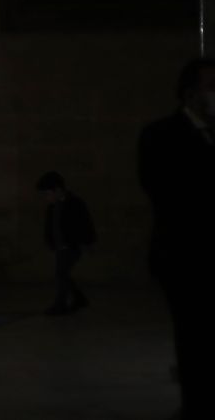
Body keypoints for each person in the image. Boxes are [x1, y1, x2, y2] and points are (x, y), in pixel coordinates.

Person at [138, 57, 215, 417]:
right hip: (185, 254)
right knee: (194, 334)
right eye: (211, 86)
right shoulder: (160, 135)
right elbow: (165, 191)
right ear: (189, 94)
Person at [35, 171, 95, 315]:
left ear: (58, 190)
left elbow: (85, 223)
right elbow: (50, 226)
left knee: (61, 273)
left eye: (47, 194)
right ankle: (79, 298)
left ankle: (61, 304)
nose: (46, 198)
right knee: (63, 274)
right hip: (60, 247)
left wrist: (86, 242)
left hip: (72, 246)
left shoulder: (75, 203)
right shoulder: (52, 207)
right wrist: (50, 241)